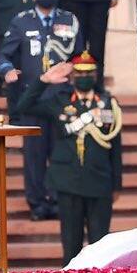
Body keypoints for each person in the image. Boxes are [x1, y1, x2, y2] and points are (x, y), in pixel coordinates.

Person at [0, 0, 81, 221]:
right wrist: (7, 71)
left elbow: (80, 54)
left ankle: (56, 199)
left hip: (61, 99)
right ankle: (36, 203)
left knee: (59, 152)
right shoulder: (21, 21)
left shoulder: (70, 20)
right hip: (32, 98)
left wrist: (74, 71)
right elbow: (3, 55)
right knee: (34, 155)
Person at [47, 51, 123, 261]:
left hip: (99, 182)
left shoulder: (108, 104)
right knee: (71, 244)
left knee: (100, 246)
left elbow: (115, 146)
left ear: (96, 75)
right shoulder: (60, 101)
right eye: (79, 73)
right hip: (69, 182)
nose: (83, 77)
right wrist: (43, 80)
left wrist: (116, 184)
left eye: (88, 73)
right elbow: (24, 105)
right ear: (72, 76)